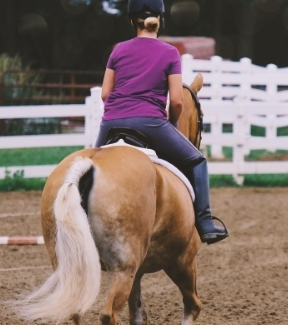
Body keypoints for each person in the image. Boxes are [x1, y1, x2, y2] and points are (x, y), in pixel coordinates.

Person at [95, 0, 228, 245]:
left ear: (131, 21)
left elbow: (105, 94)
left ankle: (83, 217)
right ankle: (206, 223)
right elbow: (177, 101)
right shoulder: (169, 53)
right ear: (160, 20)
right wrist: (173, 124)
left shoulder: (118, 51)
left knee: (90, 167)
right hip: (150, 123)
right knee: (198, 161)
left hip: (111, 123)